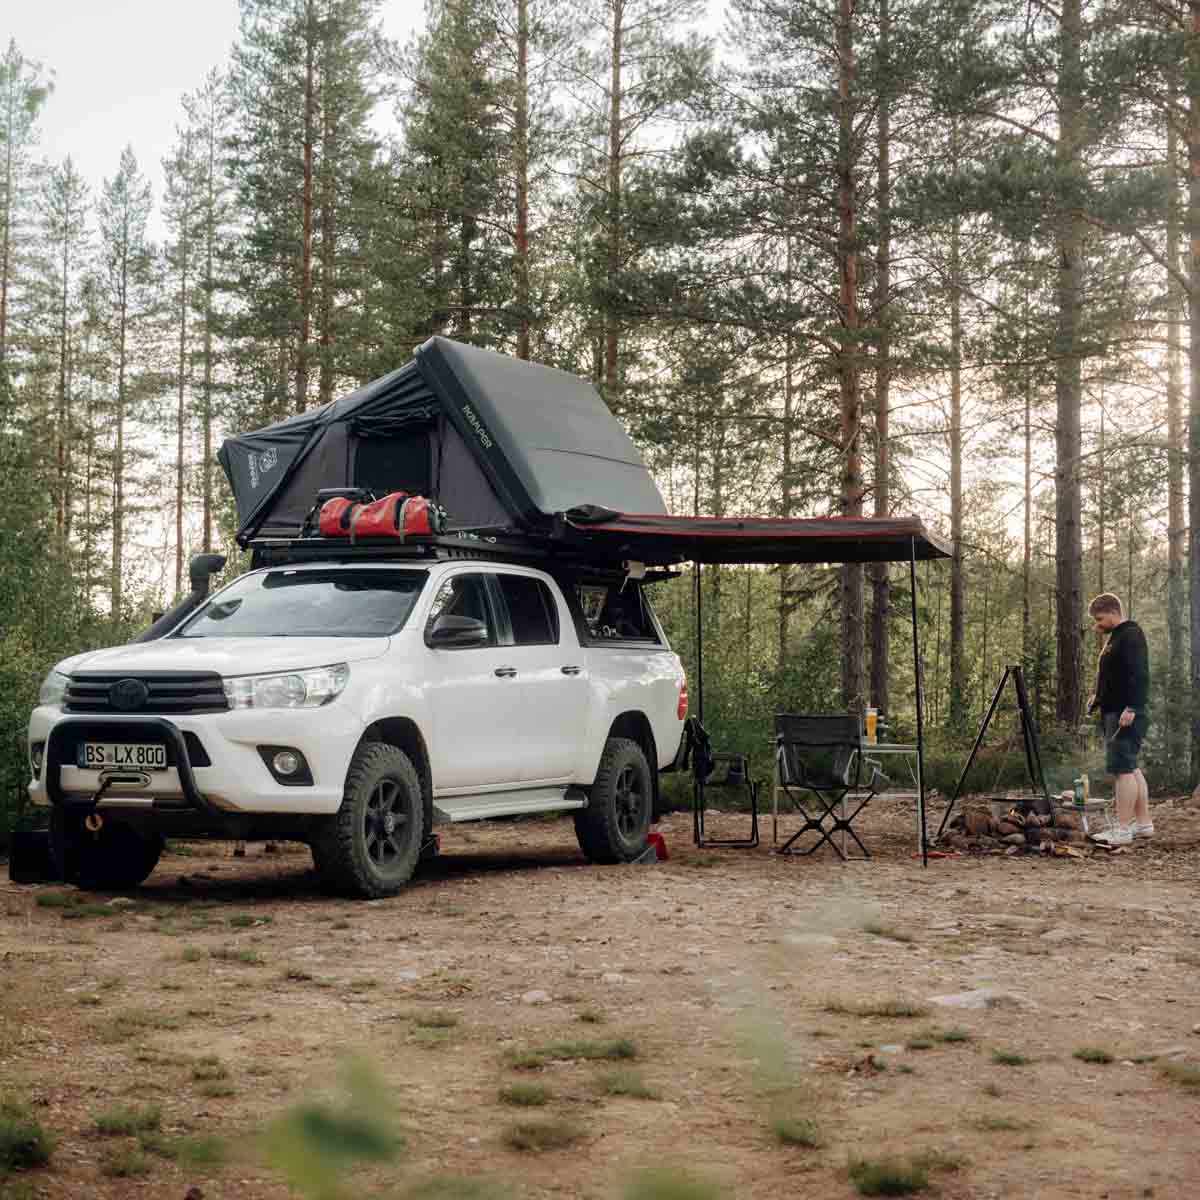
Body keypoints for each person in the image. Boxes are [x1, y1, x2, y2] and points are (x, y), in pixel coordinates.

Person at [1086, 593, 1151, 847]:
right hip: (1116, 709)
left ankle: (1122, 830)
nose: (1097, 625)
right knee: (1131, 767)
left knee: (1122, 770)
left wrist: (1133, 706)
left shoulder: (1131, 634)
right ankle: (1144, 824)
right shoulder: (1117, 637)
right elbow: (1115, 675)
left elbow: (1140, 674)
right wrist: (1098, 697)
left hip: (1125, 713)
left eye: (1099, 619)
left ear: (1113, 612)